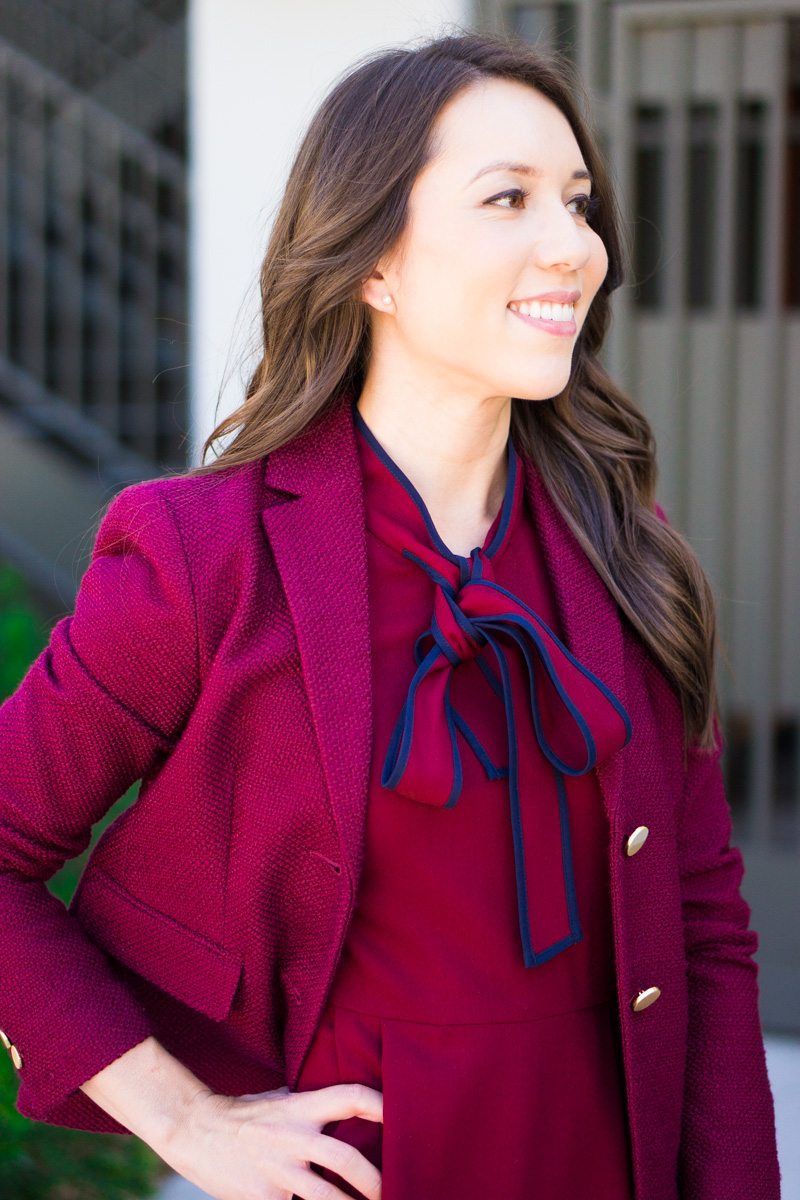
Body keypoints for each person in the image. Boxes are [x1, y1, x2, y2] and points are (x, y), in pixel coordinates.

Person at [0, 28, 781, 1200]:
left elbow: (702, 924)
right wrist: (185, 1118)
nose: (572, 246)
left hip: (600, 1161)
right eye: (507, 199)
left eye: (576, 203)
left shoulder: (630, 553)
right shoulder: (205, 552)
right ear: (371, 263)